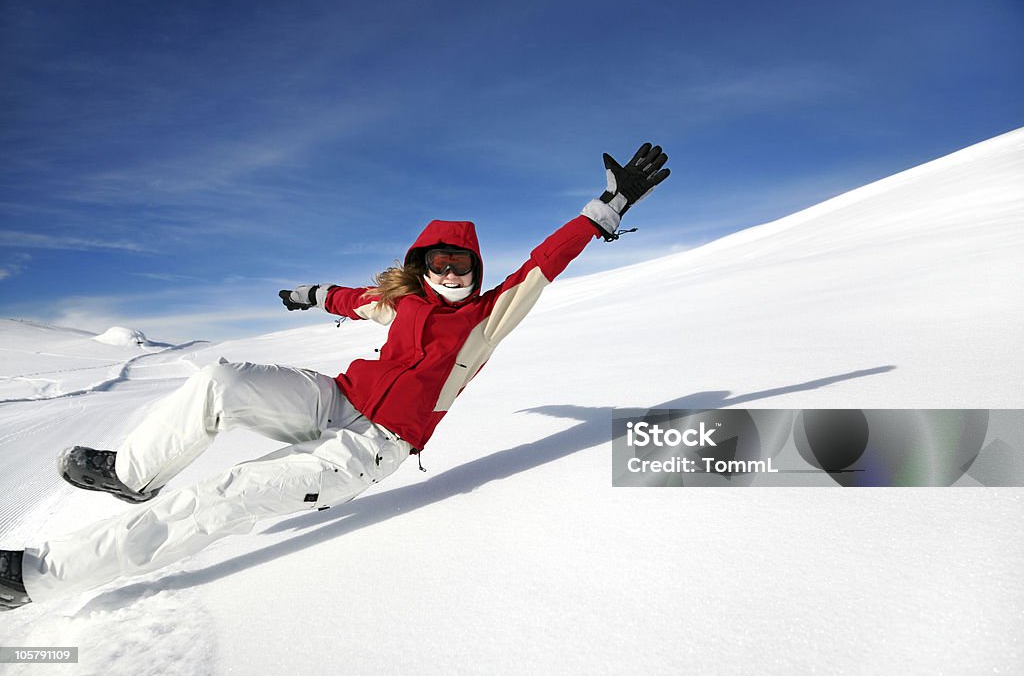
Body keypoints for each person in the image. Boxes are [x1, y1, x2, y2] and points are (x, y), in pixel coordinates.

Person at [0, 143, 670, 610]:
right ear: (423, 261)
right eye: (441, 260)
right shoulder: (406, 302)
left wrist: (602, 210)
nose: (454, 272)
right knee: (220, 380)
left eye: (465, 263)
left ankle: (33, 576)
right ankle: (131, 473)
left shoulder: (486, 320)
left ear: (477, 269)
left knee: (220, 497)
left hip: (367, 447)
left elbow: (542, 263)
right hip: (333, 400)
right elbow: (356, 299)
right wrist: (314, 293)